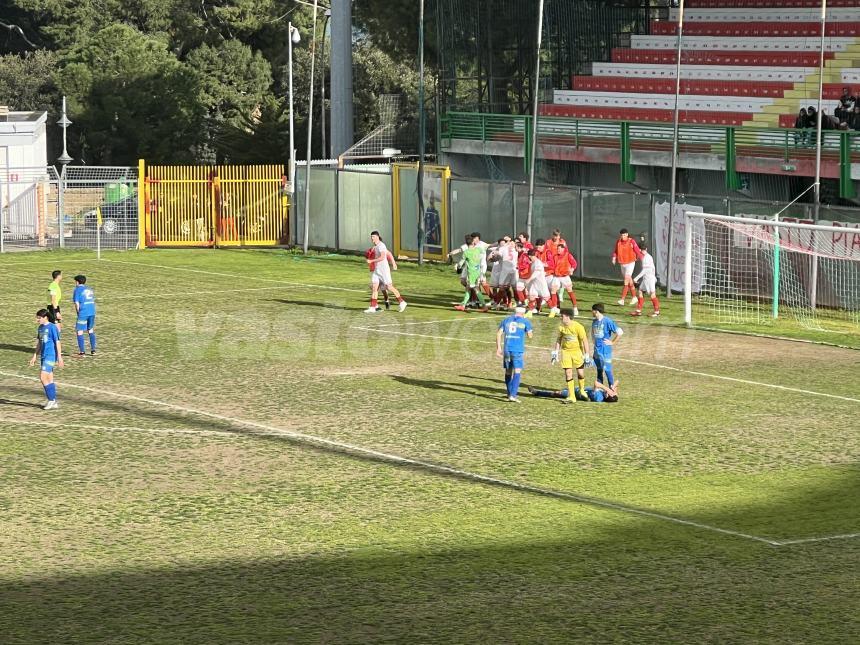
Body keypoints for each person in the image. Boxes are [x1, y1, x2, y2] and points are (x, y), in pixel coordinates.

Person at [551, 309, 591, 404]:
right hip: (566, 352)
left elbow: (585, 340)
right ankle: (572, 396)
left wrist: (587, 354)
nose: (560, 317)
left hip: (577, 352)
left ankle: (582, 390)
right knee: (568, 373)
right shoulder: (561, 327)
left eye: (562, 316)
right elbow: (559, 339)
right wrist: (555, 352)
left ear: (568, 317)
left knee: (580, 373)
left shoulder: (578, 327)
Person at [496, 306, 534, 403]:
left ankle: (509, 393)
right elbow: (530, 336)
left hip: (507, 349)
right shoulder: (525, 321)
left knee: (508, 371)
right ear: (523, 313)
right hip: (517, 349)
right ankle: (513, 395)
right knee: (517, 371)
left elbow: (499, 333)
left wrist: (499, 348)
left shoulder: (506, 320)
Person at [28, 308, 64, 410]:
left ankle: (51, 400)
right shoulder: (40, 328)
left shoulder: (52, 327)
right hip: (44, 355)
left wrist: (60, 358)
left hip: (51, 355)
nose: (37, 320)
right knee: (49, 378)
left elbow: (57, 342)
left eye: (39, 318)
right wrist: (35, 356)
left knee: (43, 377)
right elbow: (39, 343)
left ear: (45, 317)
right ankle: (54, 401)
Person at [365, 231, 407, 313]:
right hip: (376, 271)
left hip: (384, 271)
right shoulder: (376, 246)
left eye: (373, 236)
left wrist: (371, 260)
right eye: (371, 237)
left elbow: (383, 257)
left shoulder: (381, 246)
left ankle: (402, 302)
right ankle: (373, 307)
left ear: (377, 237)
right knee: (374, 287)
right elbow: (389, 253)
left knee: (389, 287)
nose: (372, 238)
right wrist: (394, 263)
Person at [591, 302, 623, 389]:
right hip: (597, 349)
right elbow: (593, 334)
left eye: (592, 311)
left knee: (607, 369)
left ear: (596, 311)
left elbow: (619, 332)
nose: (592, 312)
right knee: (599, 369)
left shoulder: (607, 321)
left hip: (605, 350)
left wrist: (612, 342)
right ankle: (599, 388)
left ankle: (612, 388)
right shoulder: (594, 322)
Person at [455, 235, 489, 312]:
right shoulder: (479, 249)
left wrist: (458, 267)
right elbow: (482, 254)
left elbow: (461, 263)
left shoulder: (466, 252)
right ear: (473, 242)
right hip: (478, 272)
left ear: (466, 244)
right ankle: (463, 305)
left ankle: (484, 306)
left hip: (471, 273)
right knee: (469, 288)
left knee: (475, 289)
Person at [611, 228, 642, 306]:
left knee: (626, 281)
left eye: (624, 235)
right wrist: (614, 257)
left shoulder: (631, 241)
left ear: (627, 234)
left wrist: (641, 258)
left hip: (630, 263)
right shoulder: (618, 242)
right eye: (622, 235)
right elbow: (615, 251)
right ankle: (634, 297)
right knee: (629, 281)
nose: (623, 236)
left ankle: (622, 299)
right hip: (622, 263)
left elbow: (637, 250)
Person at [548, 242, 579, 318]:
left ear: (563, 249)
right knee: (553, 290)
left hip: (565, 276)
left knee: (569, 290)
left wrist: (571, 269)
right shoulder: (554, 256)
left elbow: (574, 264)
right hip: (556, 276)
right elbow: (552, 265)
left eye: (559, 248)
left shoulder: (568, 255)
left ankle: (575, 308)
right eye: (557, 248)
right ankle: (555, 308)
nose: (558, 250)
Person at [630, 243, 660, 317]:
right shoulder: (645, 256)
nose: (643, 251)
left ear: (645, 249)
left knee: (652, 294)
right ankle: (638, 310)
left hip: (649, 279)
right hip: (646, 278)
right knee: (640, 291)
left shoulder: (647, 258)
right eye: (642, 250)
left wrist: (636, 278)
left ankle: (656, 312)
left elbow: (645, 270)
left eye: (643, 250)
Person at [528, 380, 619, 403]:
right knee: (556, 393)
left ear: (608, 396)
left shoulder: (598, 397)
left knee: (556, 393)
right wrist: (613, 388)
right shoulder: (605, 394)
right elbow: (617, 382)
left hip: (574, 394)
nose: (611, 392)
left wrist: (607, 389)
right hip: (575, 389)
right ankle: (537, 392)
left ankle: (536, 392)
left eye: (611, 394)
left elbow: (596, 383)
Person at [72, 275, 97, 356]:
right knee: (90, 330)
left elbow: (76, 303)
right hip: (92, 311)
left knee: (79, 331)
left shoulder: (77, 290)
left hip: (84, 312)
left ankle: (82, 351)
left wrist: (78, 312)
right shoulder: (89, 289)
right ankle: (93, 350)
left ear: (77, 282)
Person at [525, 248, 550, 317]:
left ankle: (553, 309)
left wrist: (529, 279)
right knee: (531, 296)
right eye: (529, 256)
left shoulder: (538, 262)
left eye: (530, 256)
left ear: (534, 256)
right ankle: (530, 311)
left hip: (541, 283)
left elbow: (537, 273)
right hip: (534, 282)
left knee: (546, 297)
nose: (529, 257)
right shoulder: (533, 263)